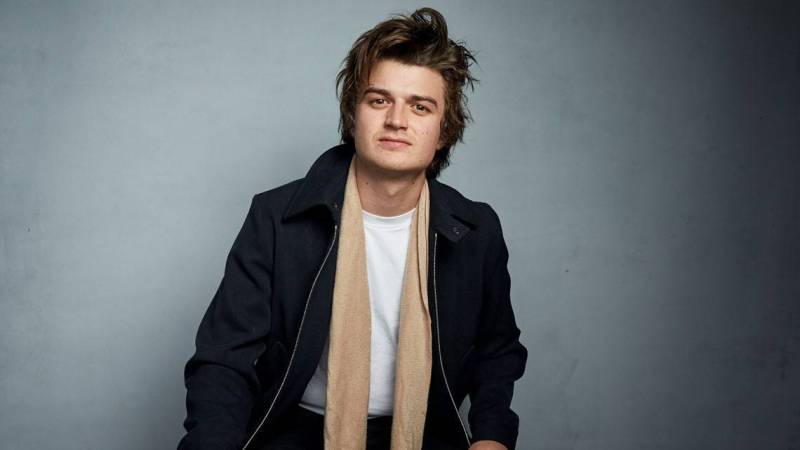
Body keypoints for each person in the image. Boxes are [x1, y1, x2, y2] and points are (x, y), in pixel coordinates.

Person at [178, 7, 527, 450]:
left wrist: (493, 437)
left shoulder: (477, 230)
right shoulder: (277, 218)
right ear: (353, 114)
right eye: (379, 100)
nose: (396, 120)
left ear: (443, 131)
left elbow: (497, 350)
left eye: (420, 106)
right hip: (298, 432)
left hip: (424, 434)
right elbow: (224, 360)